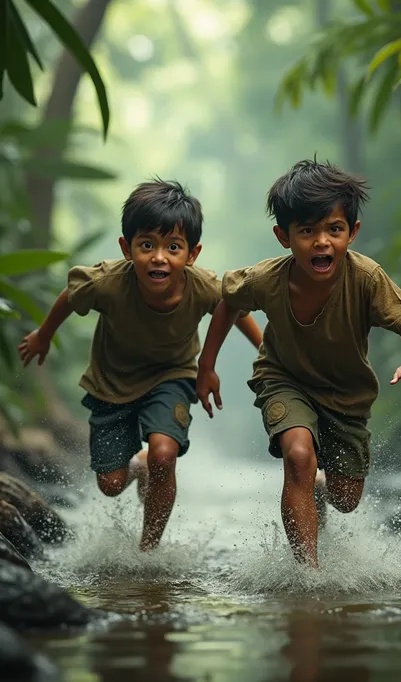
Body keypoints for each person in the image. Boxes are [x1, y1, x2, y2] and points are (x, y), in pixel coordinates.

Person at [196, 158, 401, 568]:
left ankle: (318, 489)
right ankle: (309, 573)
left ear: (351, 233)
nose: (321, 242)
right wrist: (207, 365)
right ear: (284, 237)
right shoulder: (267, 278)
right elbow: (229, 302)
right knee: (299, 456)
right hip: (284, 379)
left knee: (345, 499)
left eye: (333, 230)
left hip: (346, 395)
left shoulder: (366, 279)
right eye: (307, 231)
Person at [18, 179, 262, 551]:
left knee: (165, 454)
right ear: (127, 248)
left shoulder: (204, 286)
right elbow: (70, 296)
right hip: (111, 384)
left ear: (191, 254)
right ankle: (139, 464)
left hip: (173, 377)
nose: (159, 257)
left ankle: (148, 550)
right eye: (147, 244)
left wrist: (265, 351)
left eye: (173, 247)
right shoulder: (107, 282)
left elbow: (236, 310)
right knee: (111, 484)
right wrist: (43, 335)